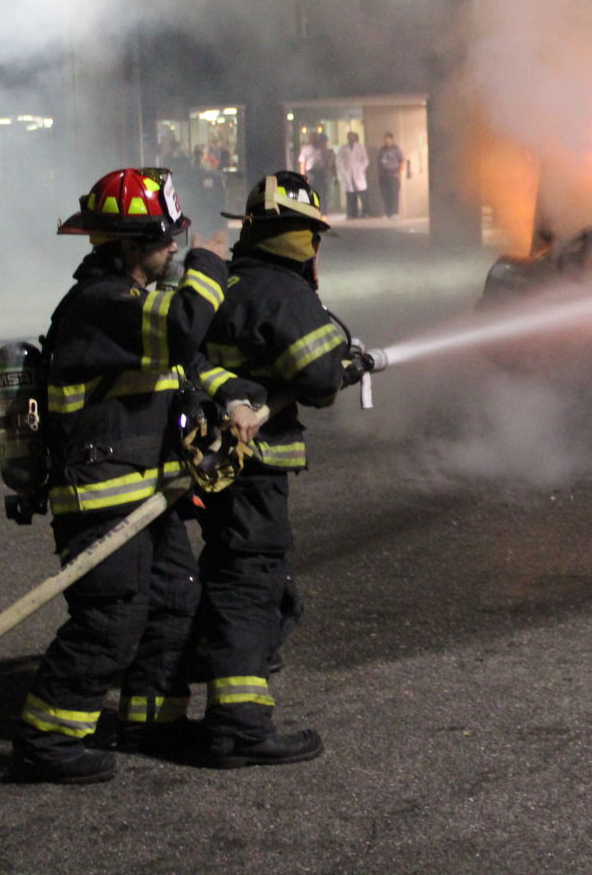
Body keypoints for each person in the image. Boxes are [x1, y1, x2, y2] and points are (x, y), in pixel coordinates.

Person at [10, 167, 262, 784]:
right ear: (126, 244)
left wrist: (231, 400)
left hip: (145, 495)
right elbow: (183, 330)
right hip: (100, 496)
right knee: (110, 619)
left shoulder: (133, 303)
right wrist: (209, 261)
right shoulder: (100, 305)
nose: (174, 245)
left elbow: (190, 364)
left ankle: (151, 719)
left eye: (178, 237)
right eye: (164, 237)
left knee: (176, 600)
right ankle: (46, 741)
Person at [192, 171, 368, 767]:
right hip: (251, 466)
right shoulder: (281, 292)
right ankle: (238, 728)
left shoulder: (228, 280)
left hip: (210, 466)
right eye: (312, 235)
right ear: (299, 237)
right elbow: (318, 374)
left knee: (239, 576)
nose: (315, 249)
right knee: (247, 583)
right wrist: (345, 365)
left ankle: (209, 676)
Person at [336, 131, 369, 219]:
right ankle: (351, 214)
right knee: (350, 195)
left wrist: (360, 169)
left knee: (362, 195)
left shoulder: (360, 147)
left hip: (358, 174)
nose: (350, 138)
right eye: (349, 137)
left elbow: (365, 160)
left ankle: (364, 213)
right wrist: (343, 171)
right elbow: (339, 160)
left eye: (352, 137)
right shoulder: (343, 148)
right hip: (348, 173)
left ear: (355, 138)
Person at [375, 133, 405, 218]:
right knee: (385, 195)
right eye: (385, 139)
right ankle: (387, 213)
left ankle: (395, 213)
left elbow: (401, 161)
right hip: (383, 176)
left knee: (394, 194)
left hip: (393, 175)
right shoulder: (382, 150)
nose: (386, 141)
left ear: (392, 139)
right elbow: (379, 163)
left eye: (388, 139)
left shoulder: (396, 149)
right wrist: (379, 173)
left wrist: (399, 173)